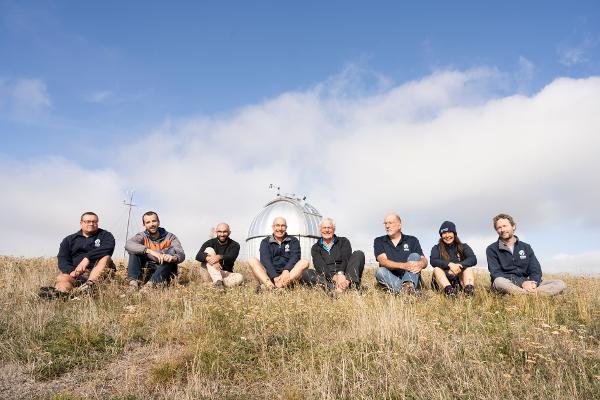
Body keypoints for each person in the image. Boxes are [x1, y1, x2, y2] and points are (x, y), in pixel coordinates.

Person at [486, 213, 566, 296]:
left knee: (560, 283)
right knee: (498, 281)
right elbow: (496, 273)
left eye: (505, 226)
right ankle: (534, 294)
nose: (502, 230)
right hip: (508, 284)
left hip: (528, 282)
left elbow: (536, 270)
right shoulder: (491, 249)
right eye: (499, 228)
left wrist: (533, 283)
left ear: (513, 226)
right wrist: (522, 283)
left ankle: (524, 294)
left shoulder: (526, 247)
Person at [41, 211, 115, 298]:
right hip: (77, 273)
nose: (91, 224)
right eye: (88, 221)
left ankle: (90, 286)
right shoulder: (69, 240)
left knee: (106, 257)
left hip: (99, 271)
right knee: (62, 278)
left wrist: (87, 258)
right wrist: (71, 271)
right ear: (81, 223)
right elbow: (63, 258)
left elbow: (109, 247)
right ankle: (61, 294)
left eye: (94, 222)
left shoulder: (105, 235)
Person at [301, 217, 365, 293]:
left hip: (346, 276)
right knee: (306, 273)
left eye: (329, 228)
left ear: (334, 230)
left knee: (358, 253)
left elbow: (346, 259)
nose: (327, 230)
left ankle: (347, 286)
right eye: (324, 228)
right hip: (328, 279)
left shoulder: (343, 241)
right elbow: (320, 266)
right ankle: (332, 289)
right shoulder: (315, 247)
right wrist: (335, 277)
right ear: (320, 230)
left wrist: (341, 274)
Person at [125, 211, 185, 290]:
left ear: (158, 222)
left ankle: (150, 286)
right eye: (148, 222)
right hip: (147, 268)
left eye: (154, 221)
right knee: (134, 251)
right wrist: (149, 251)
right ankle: (133, 284)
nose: (152, 224)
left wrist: (173, 258)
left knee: (172, 251)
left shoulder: (171, 237)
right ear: (144, 225)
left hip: (164, 269)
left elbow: (181, 253)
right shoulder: (141, 236)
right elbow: (128, 245)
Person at [248, 216, 309, 291]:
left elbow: (295, 257)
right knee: (252, 260)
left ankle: (282, 285)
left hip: (288, 275)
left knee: (305, 262)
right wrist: (274, 276)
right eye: (277, 225)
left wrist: (286, 270)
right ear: (273, 227)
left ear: (286, 227)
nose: (280, 229)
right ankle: (270, 286)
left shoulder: (293, 241)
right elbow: (265, 260)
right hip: (269, 275)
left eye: (283, 226)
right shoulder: (265, 242)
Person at [374, 213, 428, 295]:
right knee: (380, 272)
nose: (387, 226)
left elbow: (424, 260)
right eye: (385, 223)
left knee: (415, 256)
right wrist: (403, 265)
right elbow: (383, 261)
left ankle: (408, 286)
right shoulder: (379, 241)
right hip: (391, 278)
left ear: (399, 225)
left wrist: (422, 263)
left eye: (390, 223)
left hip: (411, 276)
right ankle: (411, 293)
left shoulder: (412, 240)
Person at [430, 221, 477, 297]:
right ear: (441, 235)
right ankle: (450, 292)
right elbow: (433, 261)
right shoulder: (436, 248)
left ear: (454, 234)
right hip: (444, 278)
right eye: (444, 233)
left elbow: (473, 259)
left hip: (458, 277)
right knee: (436, 269)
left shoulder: (463, 246)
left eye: (449, 232)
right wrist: (449, 265)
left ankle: (469, 291)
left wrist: (459, 265)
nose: (447, 235)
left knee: (468, 268)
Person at [195, 223, 244, 290]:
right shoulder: (209, 243)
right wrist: (212, 260)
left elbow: (232, 257)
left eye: (225, 232)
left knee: (239, 277)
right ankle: (218, 282)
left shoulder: (235, 245)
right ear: (216, 232)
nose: (222, 234)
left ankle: (212, 285)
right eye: (220, 232)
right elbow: (198, 256)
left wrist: (219, 257)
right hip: (208, 272)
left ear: (229, 232)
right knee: (209, 250)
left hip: (224, 273)